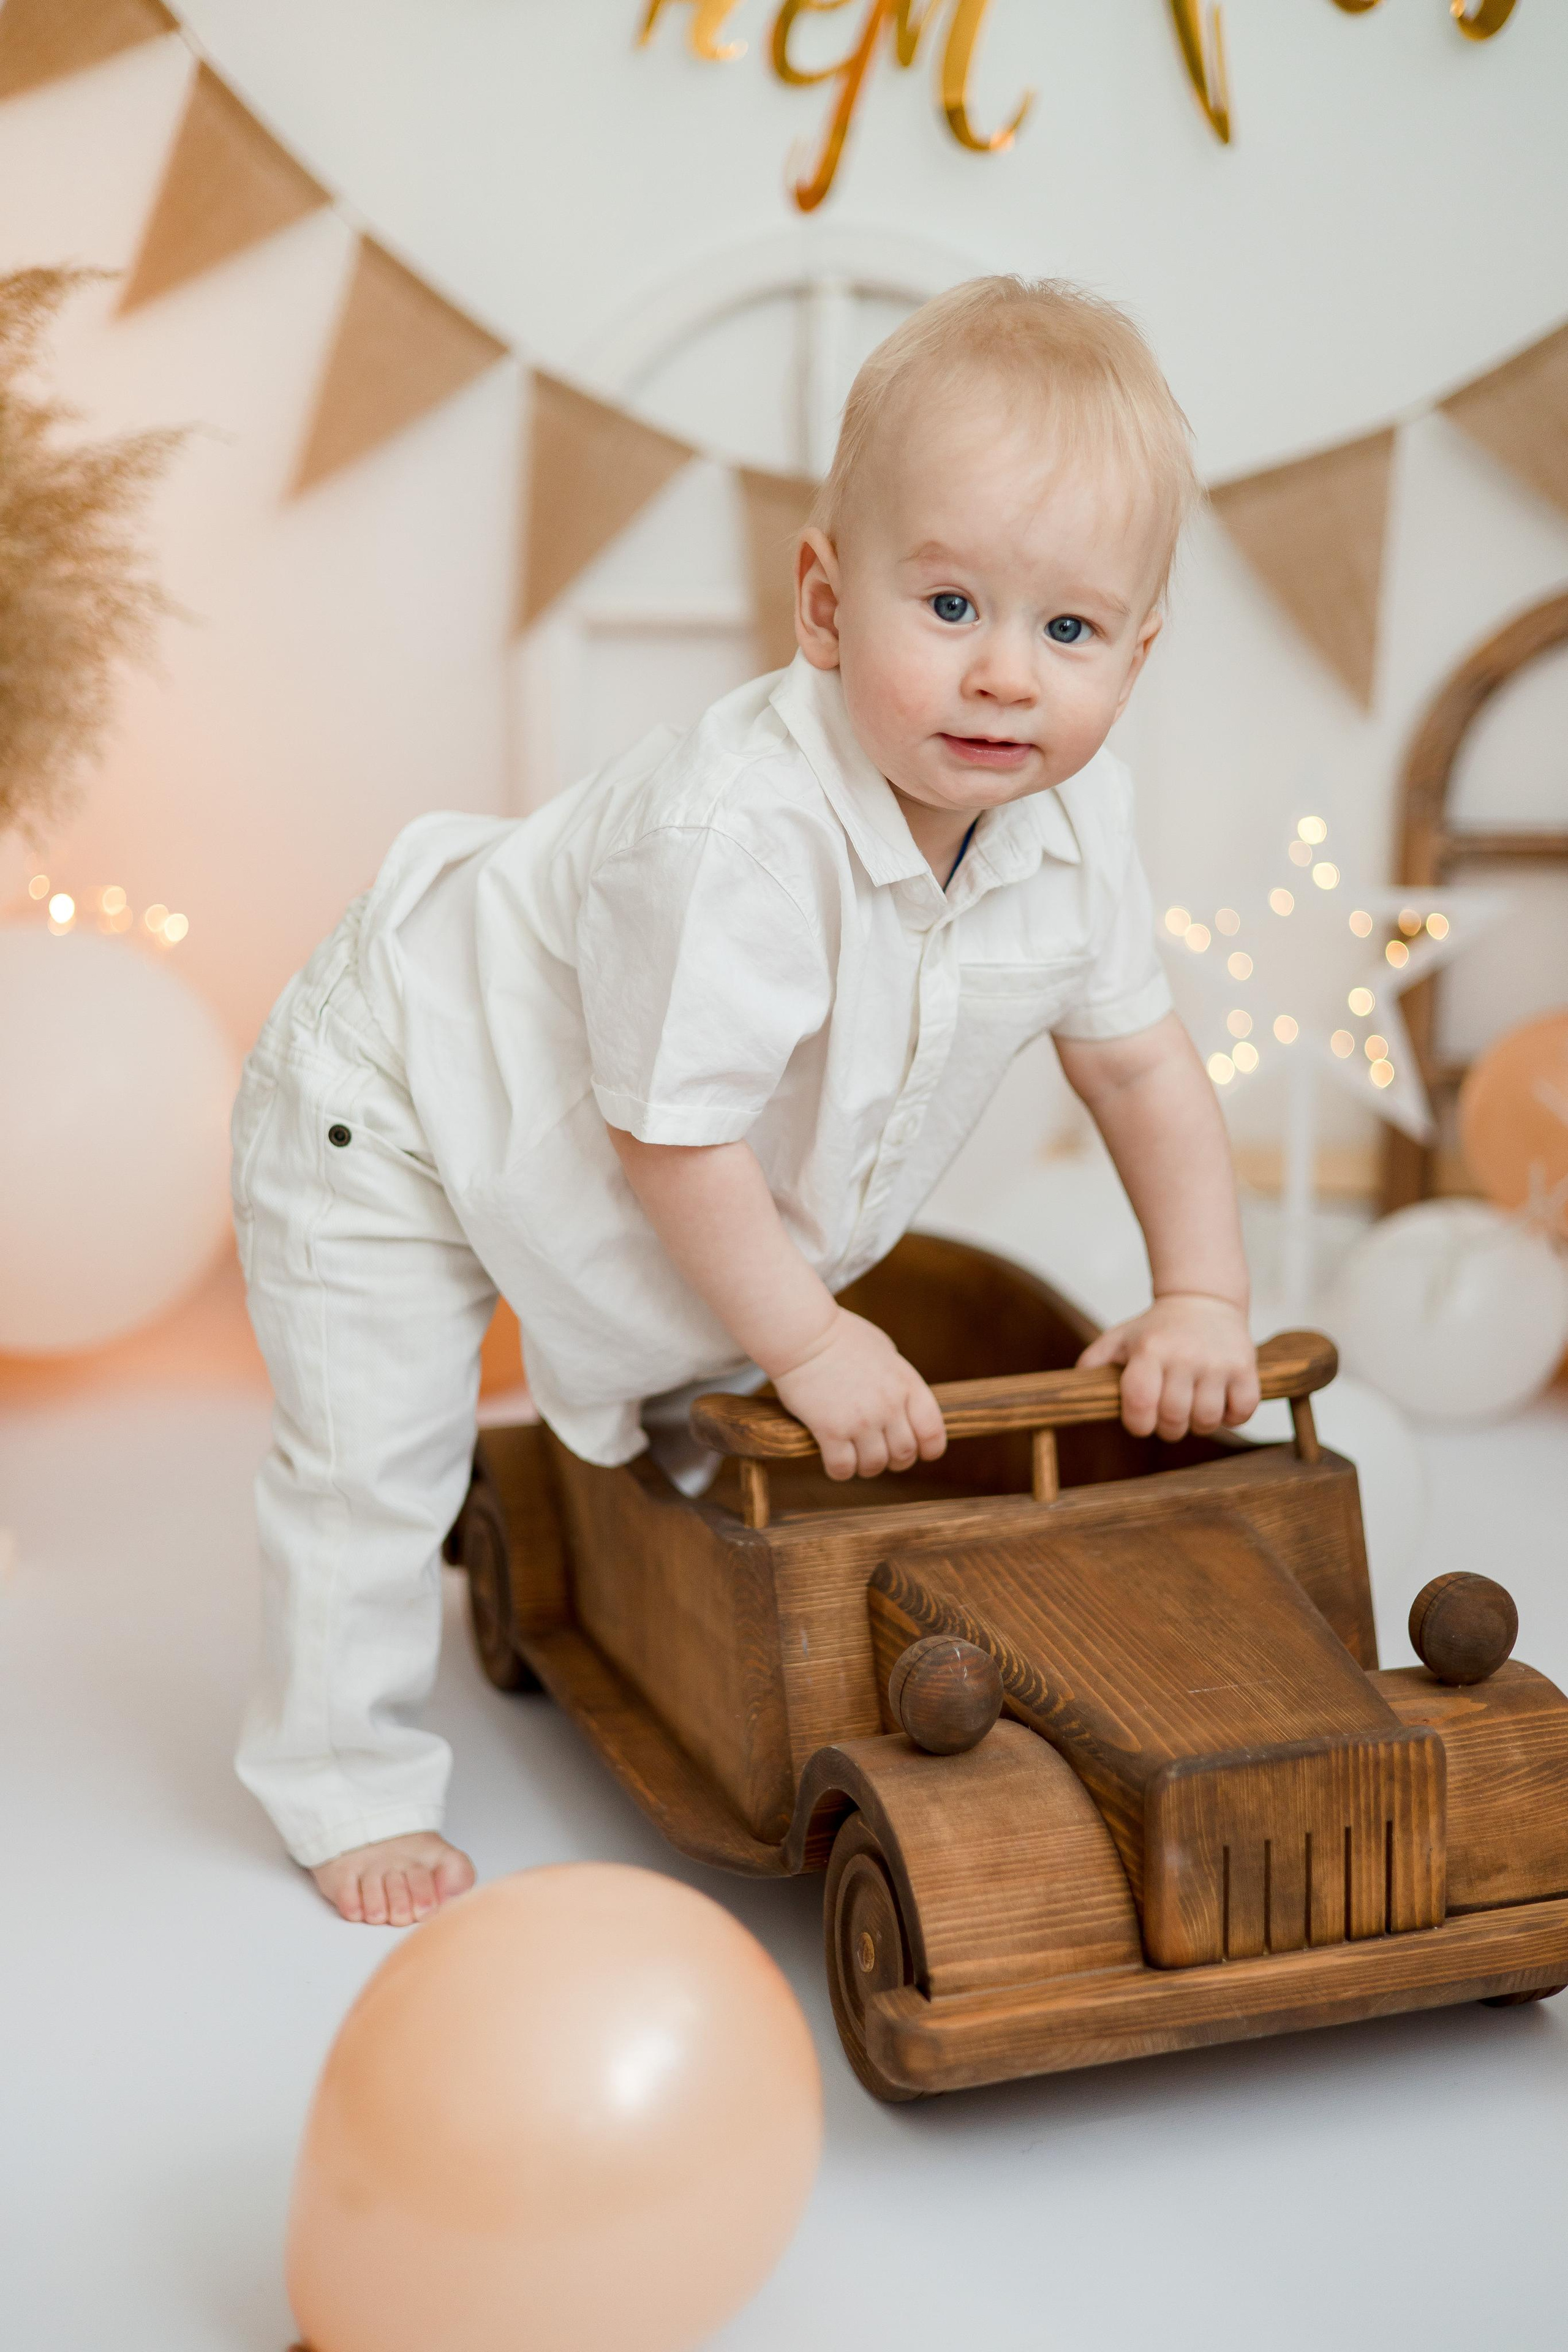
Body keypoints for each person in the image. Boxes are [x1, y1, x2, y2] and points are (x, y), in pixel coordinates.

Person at [232, 276, 1259, 1926]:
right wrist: (811, 1341)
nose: (1007, 675)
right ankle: (336, 1773)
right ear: (826, 602)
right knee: (373, 1455)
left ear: (1135, 656)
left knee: (711, 1350)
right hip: (406, 1095)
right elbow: (673, 1136)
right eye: (950, 605)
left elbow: (1137, 1062)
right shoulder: (734, 838)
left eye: (1068, 631)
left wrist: (1201, 1292)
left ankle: (661, 1562)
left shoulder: (1082, 828)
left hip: (627, 1152)